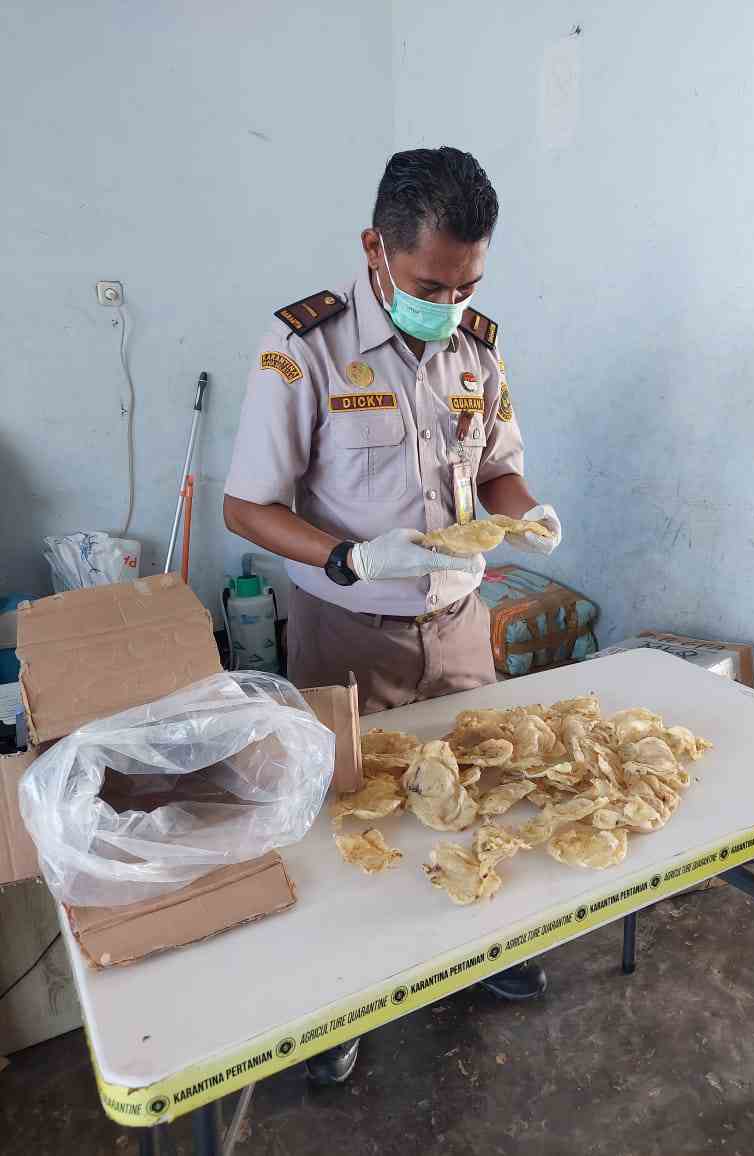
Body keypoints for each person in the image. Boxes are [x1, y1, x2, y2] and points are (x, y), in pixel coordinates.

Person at [224, 147, 563, 1085]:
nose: (447, 305)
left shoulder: (476, 348)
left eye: (466, 286)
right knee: (346, 823)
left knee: (476, 793)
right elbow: (246, 506)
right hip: (345, 635)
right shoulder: (302, 349)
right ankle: (343, 1004)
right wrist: (349, 557)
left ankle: (481, 949)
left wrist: (525, 513)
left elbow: (496, 468)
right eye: (429, 285)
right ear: (375, 248)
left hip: (457, 627)